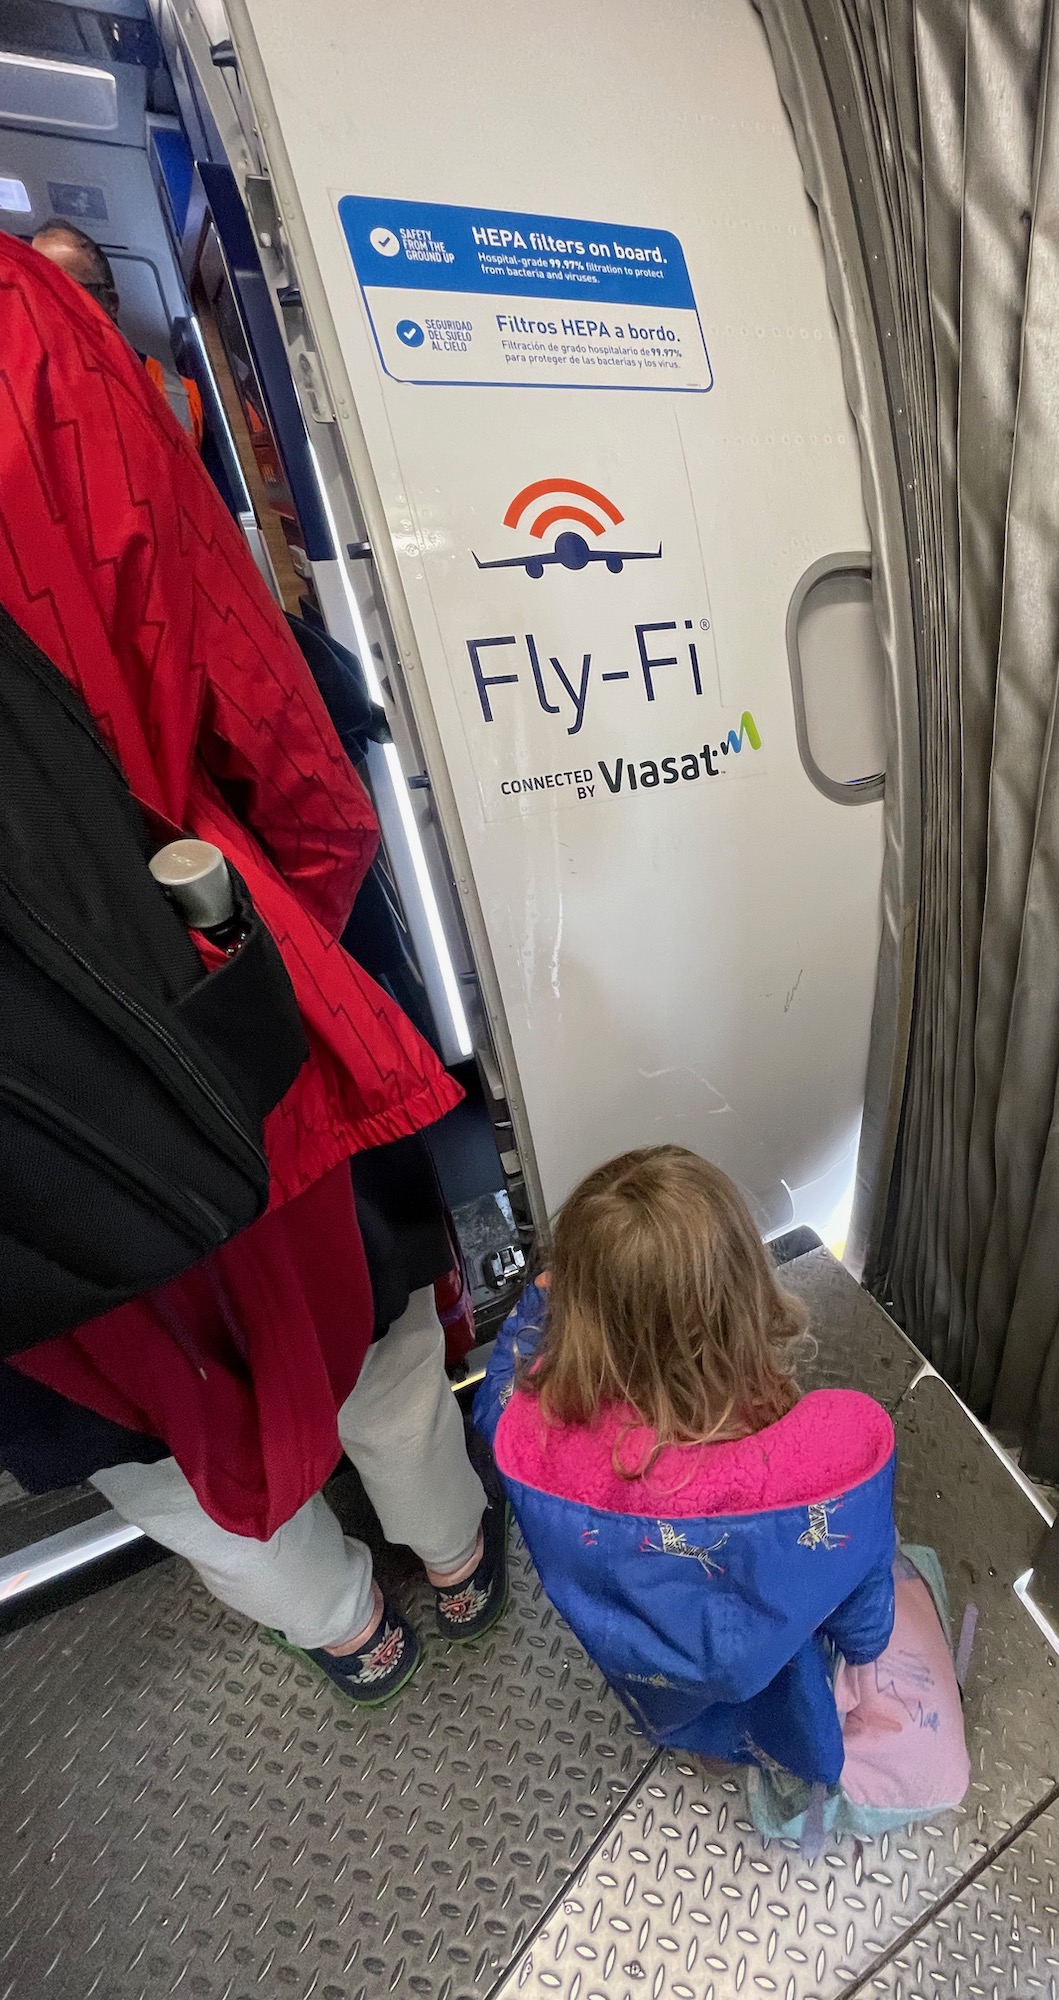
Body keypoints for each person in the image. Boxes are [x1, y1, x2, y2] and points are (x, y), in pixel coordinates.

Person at [0, 231, 504, 1702]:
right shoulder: (28, 332)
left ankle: (349, 1632)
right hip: (187, 978)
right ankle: (458, 1565)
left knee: (138, 1443)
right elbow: (292, 758)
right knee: (360, 1321)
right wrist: (288, 940)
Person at [477, 1146, 970, 1841]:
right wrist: (868, 1646)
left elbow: (506, 1368)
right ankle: (753, 1755)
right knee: (765, 1711)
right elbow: (861, 1596)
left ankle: (698, 1750)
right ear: (744, 1297)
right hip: (761, 1676)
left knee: (687, 1716)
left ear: (579, 1309)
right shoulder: (818, 1472)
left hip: (642, 1670)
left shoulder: (521, 1431)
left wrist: (540, 1300)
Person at [30, 218, 205, 445]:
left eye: (65, 289)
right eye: (35, 291)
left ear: (110, 302)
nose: (47, 305)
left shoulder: (185, 398)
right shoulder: (22, 405)